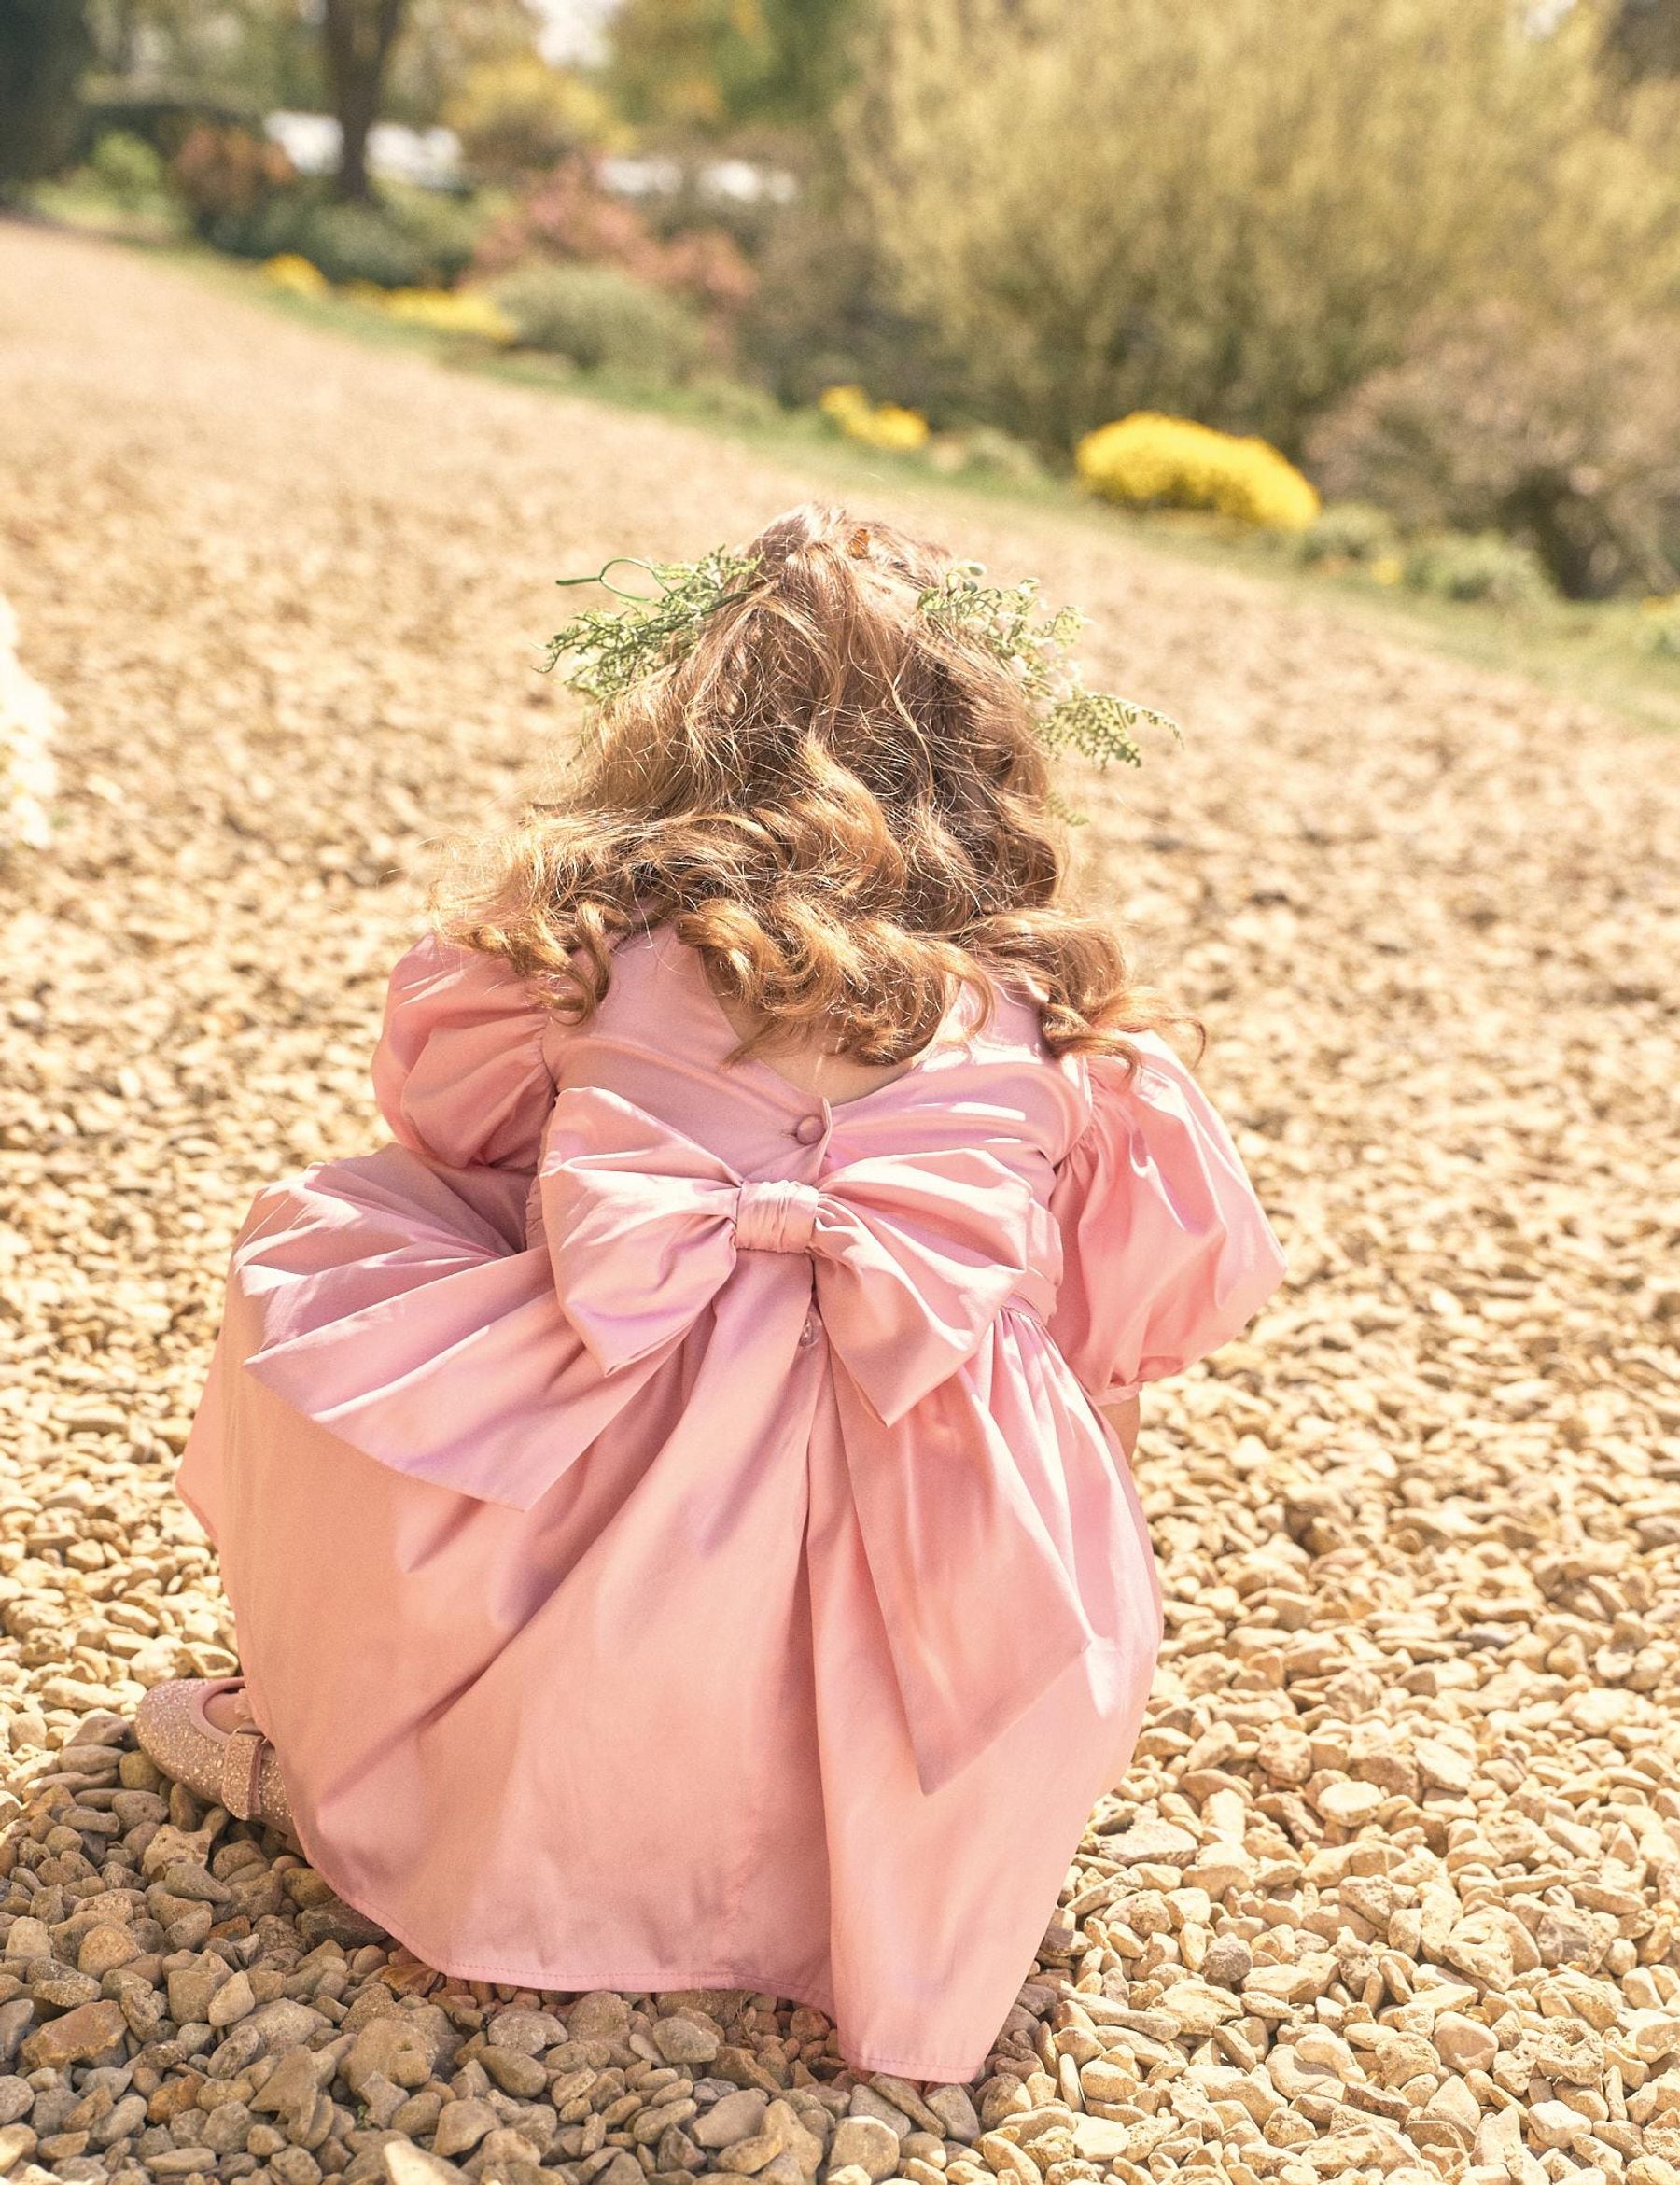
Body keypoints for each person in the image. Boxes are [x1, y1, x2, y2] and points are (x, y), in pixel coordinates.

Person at [139, 504, 1285, 2085]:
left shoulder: (589, 949)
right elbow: (1135, 1317)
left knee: (339, 1241)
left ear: (683, 721)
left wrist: (642, 1152)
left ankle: (348, 1747)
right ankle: (890, 1840)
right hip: (923, 1488)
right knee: (1053, 1409)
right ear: (995, 752)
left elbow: (445, 1130)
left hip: (612, 1443)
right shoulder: (1056, 1027)